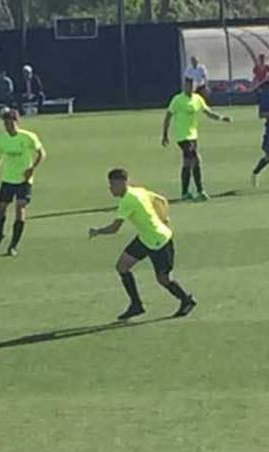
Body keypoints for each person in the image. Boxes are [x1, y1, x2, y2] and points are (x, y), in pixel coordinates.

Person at [88, 168, 197, 321]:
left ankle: (187, 300)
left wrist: (97, 231)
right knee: (122, 266)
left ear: (122, 183)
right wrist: (164, 219)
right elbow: (161, 200)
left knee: (163, 279)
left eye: (112, 184)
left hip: (159, 241)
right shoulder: (138, 191)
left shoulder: (127, 201)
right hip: (146, 238)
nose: (110, 188)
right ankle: (136, 305)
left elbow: (114, 229)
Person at [0, 109, 46, 257]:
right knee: (1, 210)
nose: (7, 126)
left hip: (24, 181)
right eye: (5, 123)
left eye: (9, 123)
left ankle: (13, 245)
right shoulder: (1, 140)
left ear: (16, 122)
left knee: (20, 210)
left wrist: (32, 168)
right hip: (7, 180)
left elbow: (42, 153)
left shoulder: (28, 137)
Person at [162, 77, 232, 201]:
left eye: (191, 86)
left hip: (193, 135)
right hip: (182, 136)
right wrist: (165, 134)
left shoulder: (197, 99)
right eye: (187, 85)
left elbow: (208, 112)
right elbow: (168, 116)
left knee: (188, 163)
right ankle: (200, 191)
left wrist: (222, 118)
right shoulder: (177, 99)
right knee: (196, 159)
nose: (189, 88)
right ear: (184, 86)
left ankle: (185, 192)